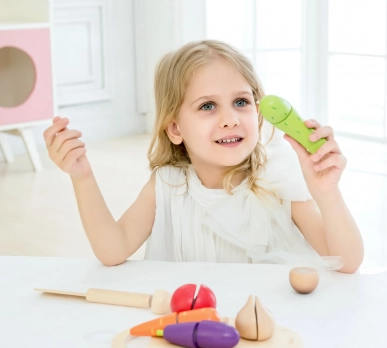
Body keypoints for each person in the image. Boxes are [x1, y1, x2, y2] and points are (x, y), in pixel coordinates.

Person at [43, 40, 364, 276]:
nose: (230, 119)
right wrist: (82, 177)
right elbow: (112, 251)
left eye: (241, 101)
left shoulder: (277, 179)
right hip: (192, 335)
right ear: (174, 127)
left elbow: (347, 261)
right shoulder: (168, 185)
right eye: (207, 106)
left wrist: (326, 193)